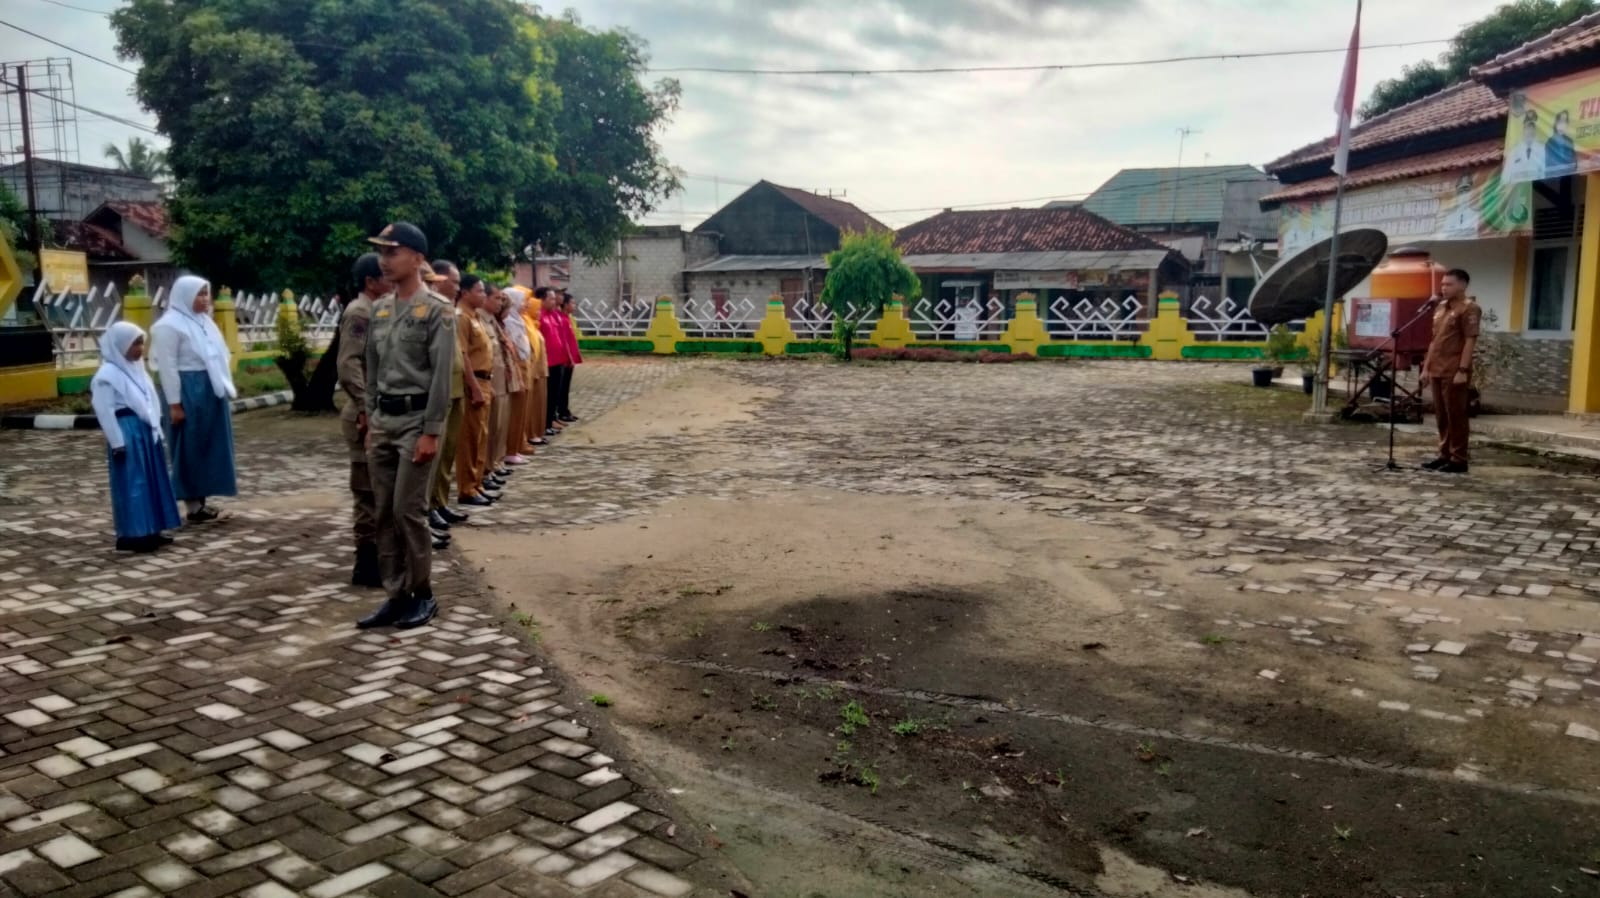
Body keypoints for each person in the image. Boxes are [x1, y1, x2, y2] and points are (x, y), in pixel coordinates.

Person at [360, 222, 455, 630]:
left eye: (393, 251)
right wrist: (370, 418)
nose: (384, 260)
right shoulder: (379, 309)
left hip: (417, 422)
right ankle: (395, 594)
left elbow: (441, 377)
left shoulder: (437, 310)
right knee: (382, 511)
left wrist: (432, 431)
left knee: (407, 511)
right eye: (381, 252)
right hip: (384, 421)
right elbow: (372, 369)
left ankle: (423, 593)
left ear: (417, 258)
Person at [152, 274, 237, 523]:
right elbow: (167, 367)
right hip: (188, 390)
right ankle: (192, 505)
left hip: (210, 389)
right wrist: (175, 404)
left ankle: (201, 502)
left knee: (210, 445)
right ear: (184, 296)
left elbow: (217, 354)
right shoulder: (169, 325)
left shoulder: (203, 322)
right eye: (199, 294)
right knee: (190, 445)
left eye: (205, 293)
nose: (205, 299)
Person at [92, 322, 182, 553]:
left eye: (141, 342)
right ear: (120, 345)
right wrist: (117, 441)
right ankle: (134, 534)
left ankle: (152, 528)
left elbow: (149, 399)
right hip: (127, 431)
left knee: (152, 479)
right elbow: (104, 410)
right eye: (134, 343)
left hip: (145, 430)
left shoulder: (138, 369)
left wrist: (156, 425)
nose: (139, 348)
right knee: (134, 483)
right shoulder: (107, 375)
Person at [339, 253, 386, 587]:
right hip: (362, 416)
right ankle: (366, 564)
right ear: (371, 281)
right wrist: (366, 407)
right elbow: (348, 365)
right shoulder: (359, 312)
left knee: (380, 490)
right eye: (385, 274)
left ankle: (380, 558)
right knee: (367, 492)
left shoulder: (377, 311)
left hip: (376, 412)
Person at [1420, 268, 1481, 475]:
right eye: (1443, 284)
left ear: (1463, 285)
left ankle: (1459, 458)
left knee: (1456, 414)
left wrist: (1463, 369)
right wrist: (1426, 367)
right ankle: (1444, 454)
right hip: (1437, 367)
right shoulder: (1440, 308)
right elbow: (1433, 341)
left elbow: (1470, 340)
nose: (1444, 288)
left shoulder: (1469, 309)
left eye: (1449, 284)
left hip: (1454, 369)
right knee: (1441, 415)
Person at [427, 261, 471, 531]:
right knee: (435, 455)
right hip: (439, 393)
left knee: (448, 453)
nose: (457, 288)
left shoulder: (448, 311)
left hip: (455, 390)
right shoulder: (431, 311)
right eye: (453, 282)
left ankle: (440, 502)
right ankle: (429, 506)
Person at [455, 274, 496, 507]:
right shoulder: (461, 317)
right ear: (465, 292)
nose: (483, 294)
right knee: (469, 439)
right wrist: (473, 387)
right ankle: (467, 488)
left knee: (481, 436)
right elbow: (463, 356)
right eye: (479, 291)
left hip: (486, 381)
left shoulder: (476, 317)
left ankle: (477, 483)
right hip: (474, 383)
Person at [502, 287, 534, 465]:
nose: (525, 305)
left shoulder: (519, 321)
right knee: (514, 411)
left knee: (522, 410)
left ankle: (516, 445)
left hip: (524, 365)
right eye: (522, 301)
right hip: (515, 367)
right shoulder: (508, 322)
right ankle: (510, 448)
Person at [540, 289, 574, 434]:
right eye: (552, 298)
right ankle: (547, 422)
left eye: (556, 298)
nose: (555, 301)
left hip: (558, 359)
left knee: (556, 392)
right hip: (548, 361)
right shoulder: (541, 316)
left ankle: (551, 420)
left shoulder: (554, 315)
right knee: (550, 394)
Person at [525, 289, 551, 449]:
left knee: (540, 404)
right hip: (531, 371)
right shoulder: (526, 325)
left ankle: (537, 431)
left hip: (540, 370)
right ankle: (531, 434)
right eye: (537, 309)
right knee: (531, 407)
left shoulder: (534, 325)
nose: (539, 312)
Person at [559, 292, 583, 423]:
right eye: (572, 303)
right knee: (562, 387)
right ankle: (561, 411)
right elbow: (564, 341)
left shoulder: (568, 318)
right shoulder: (561, 319)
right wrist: (569, 358)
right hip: (565, 359)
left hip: (570, 358)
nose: (574, 305)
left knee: (566, 386)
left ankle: (565, 409)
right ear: (566, 304)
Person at [1546, 110, 1577, 178]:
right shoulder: (1549, 142)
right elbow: (1548, 165)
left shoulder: (1570, 141)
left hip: (1568, 178)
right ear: (1556, 123)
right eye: (1561, 121)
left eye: (1565, 121)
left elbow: (1574, 163)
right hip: (1554, 180)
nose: (1563, 124)